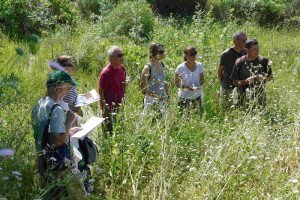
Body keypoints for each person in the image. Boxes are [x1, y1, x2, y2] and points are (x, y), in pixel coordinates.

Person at [31, 70, 87, 199]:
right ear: (58, 87)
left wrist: (69, 131)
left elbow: (46, 131)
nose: (68, 92)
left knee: (49, 194)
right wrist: (69, 121)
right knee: (65, 195)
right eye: (67, 88)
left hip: (42, 160)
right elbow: (56, 141)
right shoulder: (56, 109)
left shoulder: (39, 104)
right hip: (57, 163)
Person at [232, 39, 272, 108]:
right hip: (243, 96)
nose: (257, 51)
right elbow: (235, 82)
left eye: (258, 48)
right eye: (254, 49)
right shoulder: (240, 62)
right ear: (247, 50)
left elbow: (270, 78)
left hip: (259, 97)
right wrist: (246, 81)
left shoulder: (264, 61)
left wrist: (260, 77)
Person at [98, 46, 126, 137]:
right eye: (119, 55)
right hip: (109, 106)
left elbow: (123, 84)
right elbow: (101, 91)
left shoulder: (122, 68)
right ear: (111, 58)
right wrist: (104, 109)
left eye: (122, 55)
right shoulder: (105, 73)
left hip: (120, 104)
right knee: (109, 130)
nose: (122, 57)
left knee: (120, 129)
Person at [218, 31, 247, 108]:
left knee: (240, 105)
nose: (245, 42)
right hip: (228, 84)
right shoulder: (227, 53)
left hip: (240, 83)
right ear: (235, 41)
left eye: (246, 40)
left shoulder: (244, 51)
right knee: (226, 106)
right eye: (243, 40)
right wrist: (222, 82)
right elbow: (220, 70)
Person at [140, 43, 169, 114]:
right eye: (161, 52)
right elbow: (143, 88)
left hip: (162, 100)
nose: (163, 53)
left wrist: (167, 96)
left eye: (163, 51)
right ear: (154, 53)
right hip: (150, 101)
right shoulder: (147, 68)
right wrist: (157, 97)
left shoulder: (161, 64)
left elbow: (163, 82)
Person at [174, 46, 204, 115]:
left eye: (195, 54)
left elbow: (202, 80)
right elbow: (176, 84)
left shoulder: (200, 65)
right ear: (186, 56)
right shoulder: (180, 68)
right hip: (184, 97)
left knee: (197, 117)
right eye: (191, 54)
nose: (194, 56)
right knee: (182, 118)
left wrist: (197, 86)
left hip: (197, 96)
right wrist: (187, 87)